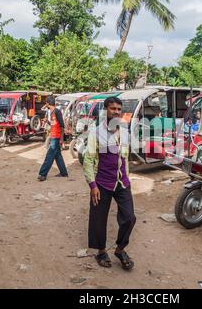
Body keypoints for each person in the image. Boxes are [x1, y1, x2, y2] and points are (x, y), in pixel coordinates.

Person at [83, 96, 136, 271]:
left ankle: (120, 250)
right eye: (113, 109)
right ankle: (101, 251)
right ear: (106, 110)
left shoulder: (124, 130)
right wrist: (92, 185)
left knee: (129, 217)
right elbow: (89, 160)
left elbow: (125, 157)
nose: (117, 112)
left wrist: (127, 178)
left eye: (119, 109)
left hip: (122, 181)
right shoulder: (95, 132)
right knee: (99, 219)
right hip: (102, 183)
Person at [37, 97, 68, 181]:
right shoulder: (52, 112)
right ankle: (64, 173)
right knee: (58, 156)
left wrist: (61, 139)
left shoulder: (57, 112)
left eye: (46, 103)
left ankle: (43, 174)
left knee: (49, 156)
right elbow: (55, 124)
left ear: (48, 103)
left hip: (56, 137)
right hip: (54, 136)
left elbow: (62, 126)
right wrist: (47, 121)